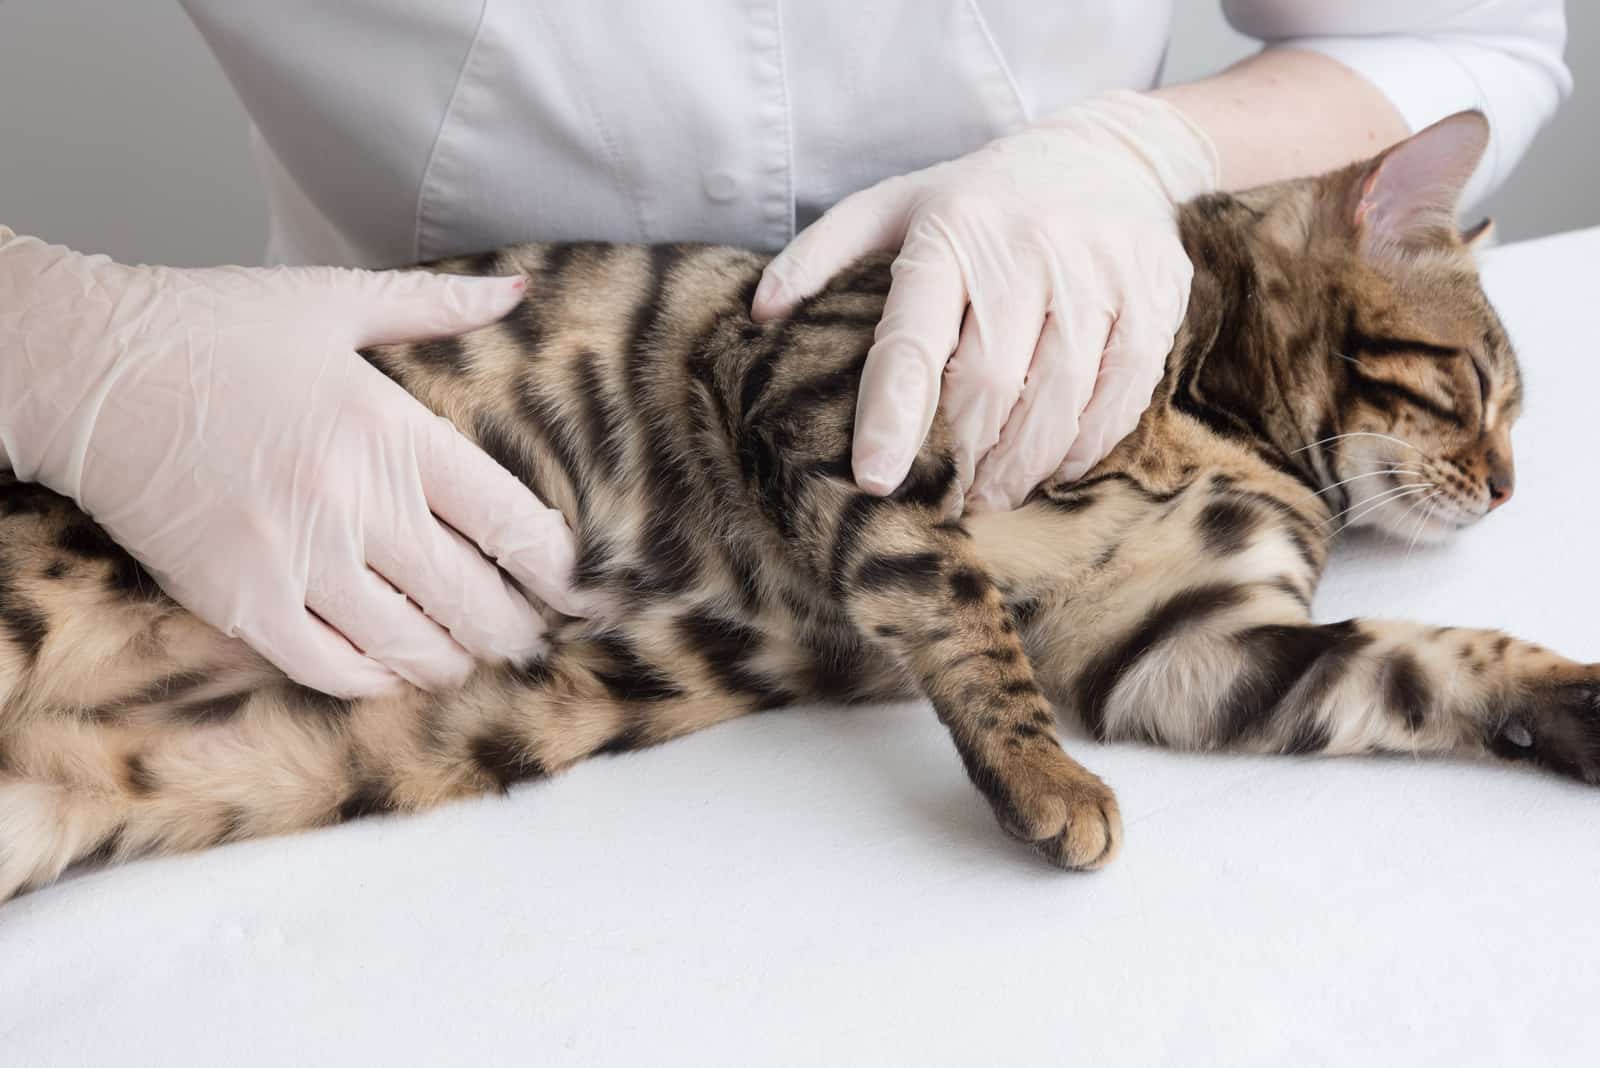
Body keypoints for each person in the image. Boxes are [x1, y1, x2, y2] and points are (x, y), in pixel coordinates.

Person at [0, 1, 1570, 700]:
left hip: (1032, 507)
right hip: (355, 509)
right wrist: (73, 345)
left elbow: (1460, 33)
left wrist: (1137, 148)